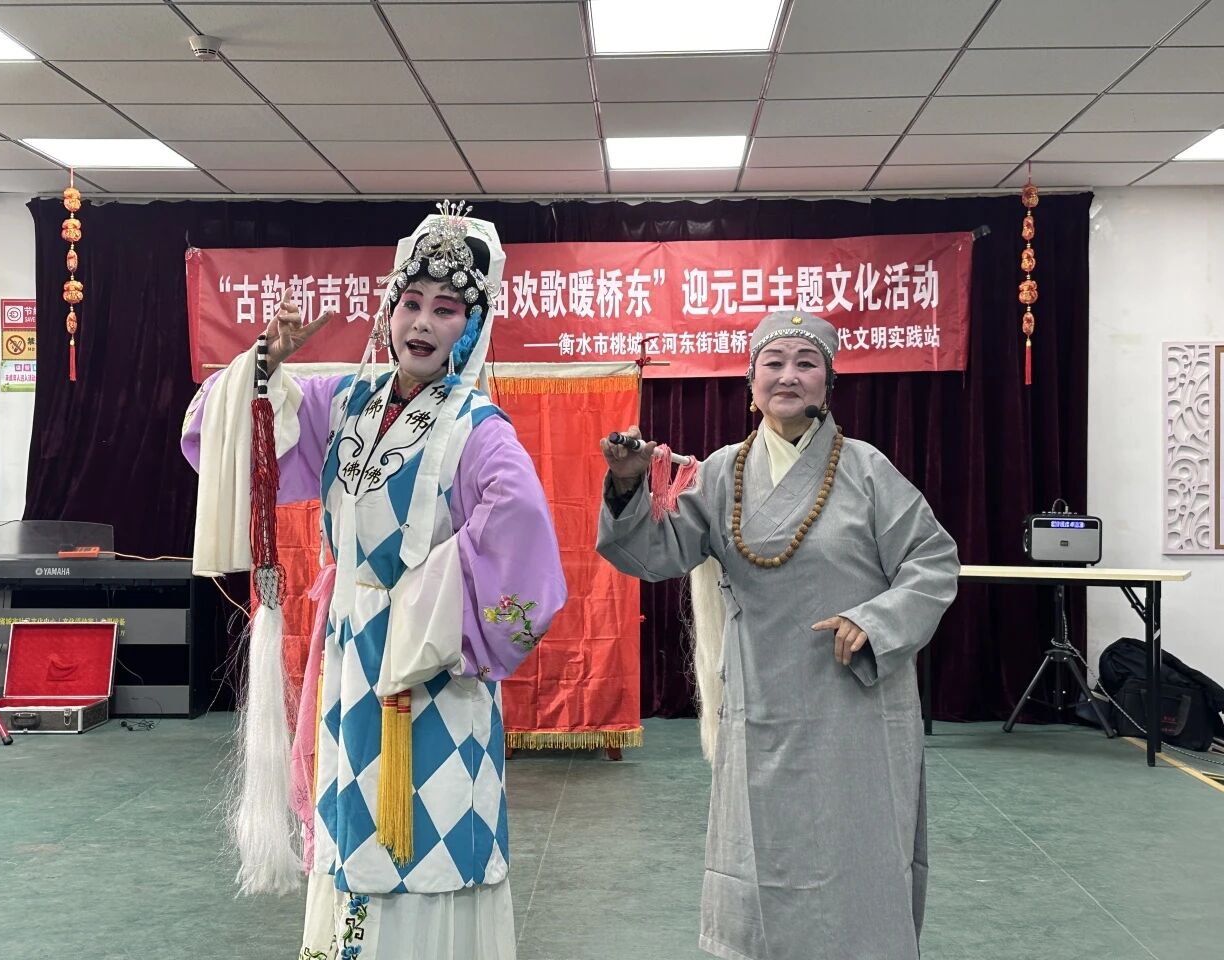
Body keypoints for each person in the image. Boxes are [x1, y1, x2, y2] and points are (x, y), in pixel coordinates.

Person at [182, 202, 567, 959]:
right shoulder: (343, 403)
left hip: (434, 667)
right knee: (352, 817)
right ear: (389, 309)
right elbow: (220, 436)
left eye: (446, 309)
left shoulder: (479, 428)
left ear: (472, 327)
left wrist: (425, 598)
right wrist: (265, 365)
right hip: (350, 662)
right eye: (411, 302)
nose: (422, 323)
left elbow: (522, 532)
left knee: (435, 823)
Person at [596, 309, 959, 960]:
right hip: (762, 702)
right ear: (750, 381)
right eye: (774, 362)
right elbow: (654, 554)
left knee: (859, 857)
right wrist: (627, 487)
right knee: (762, 862)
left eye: (806, 363)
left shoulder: (868, 471)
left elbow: (932, 562)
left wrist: (874, 621)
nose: (788, 375)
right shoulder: (722, 475)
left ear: (828, 382)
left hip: (855, 704)